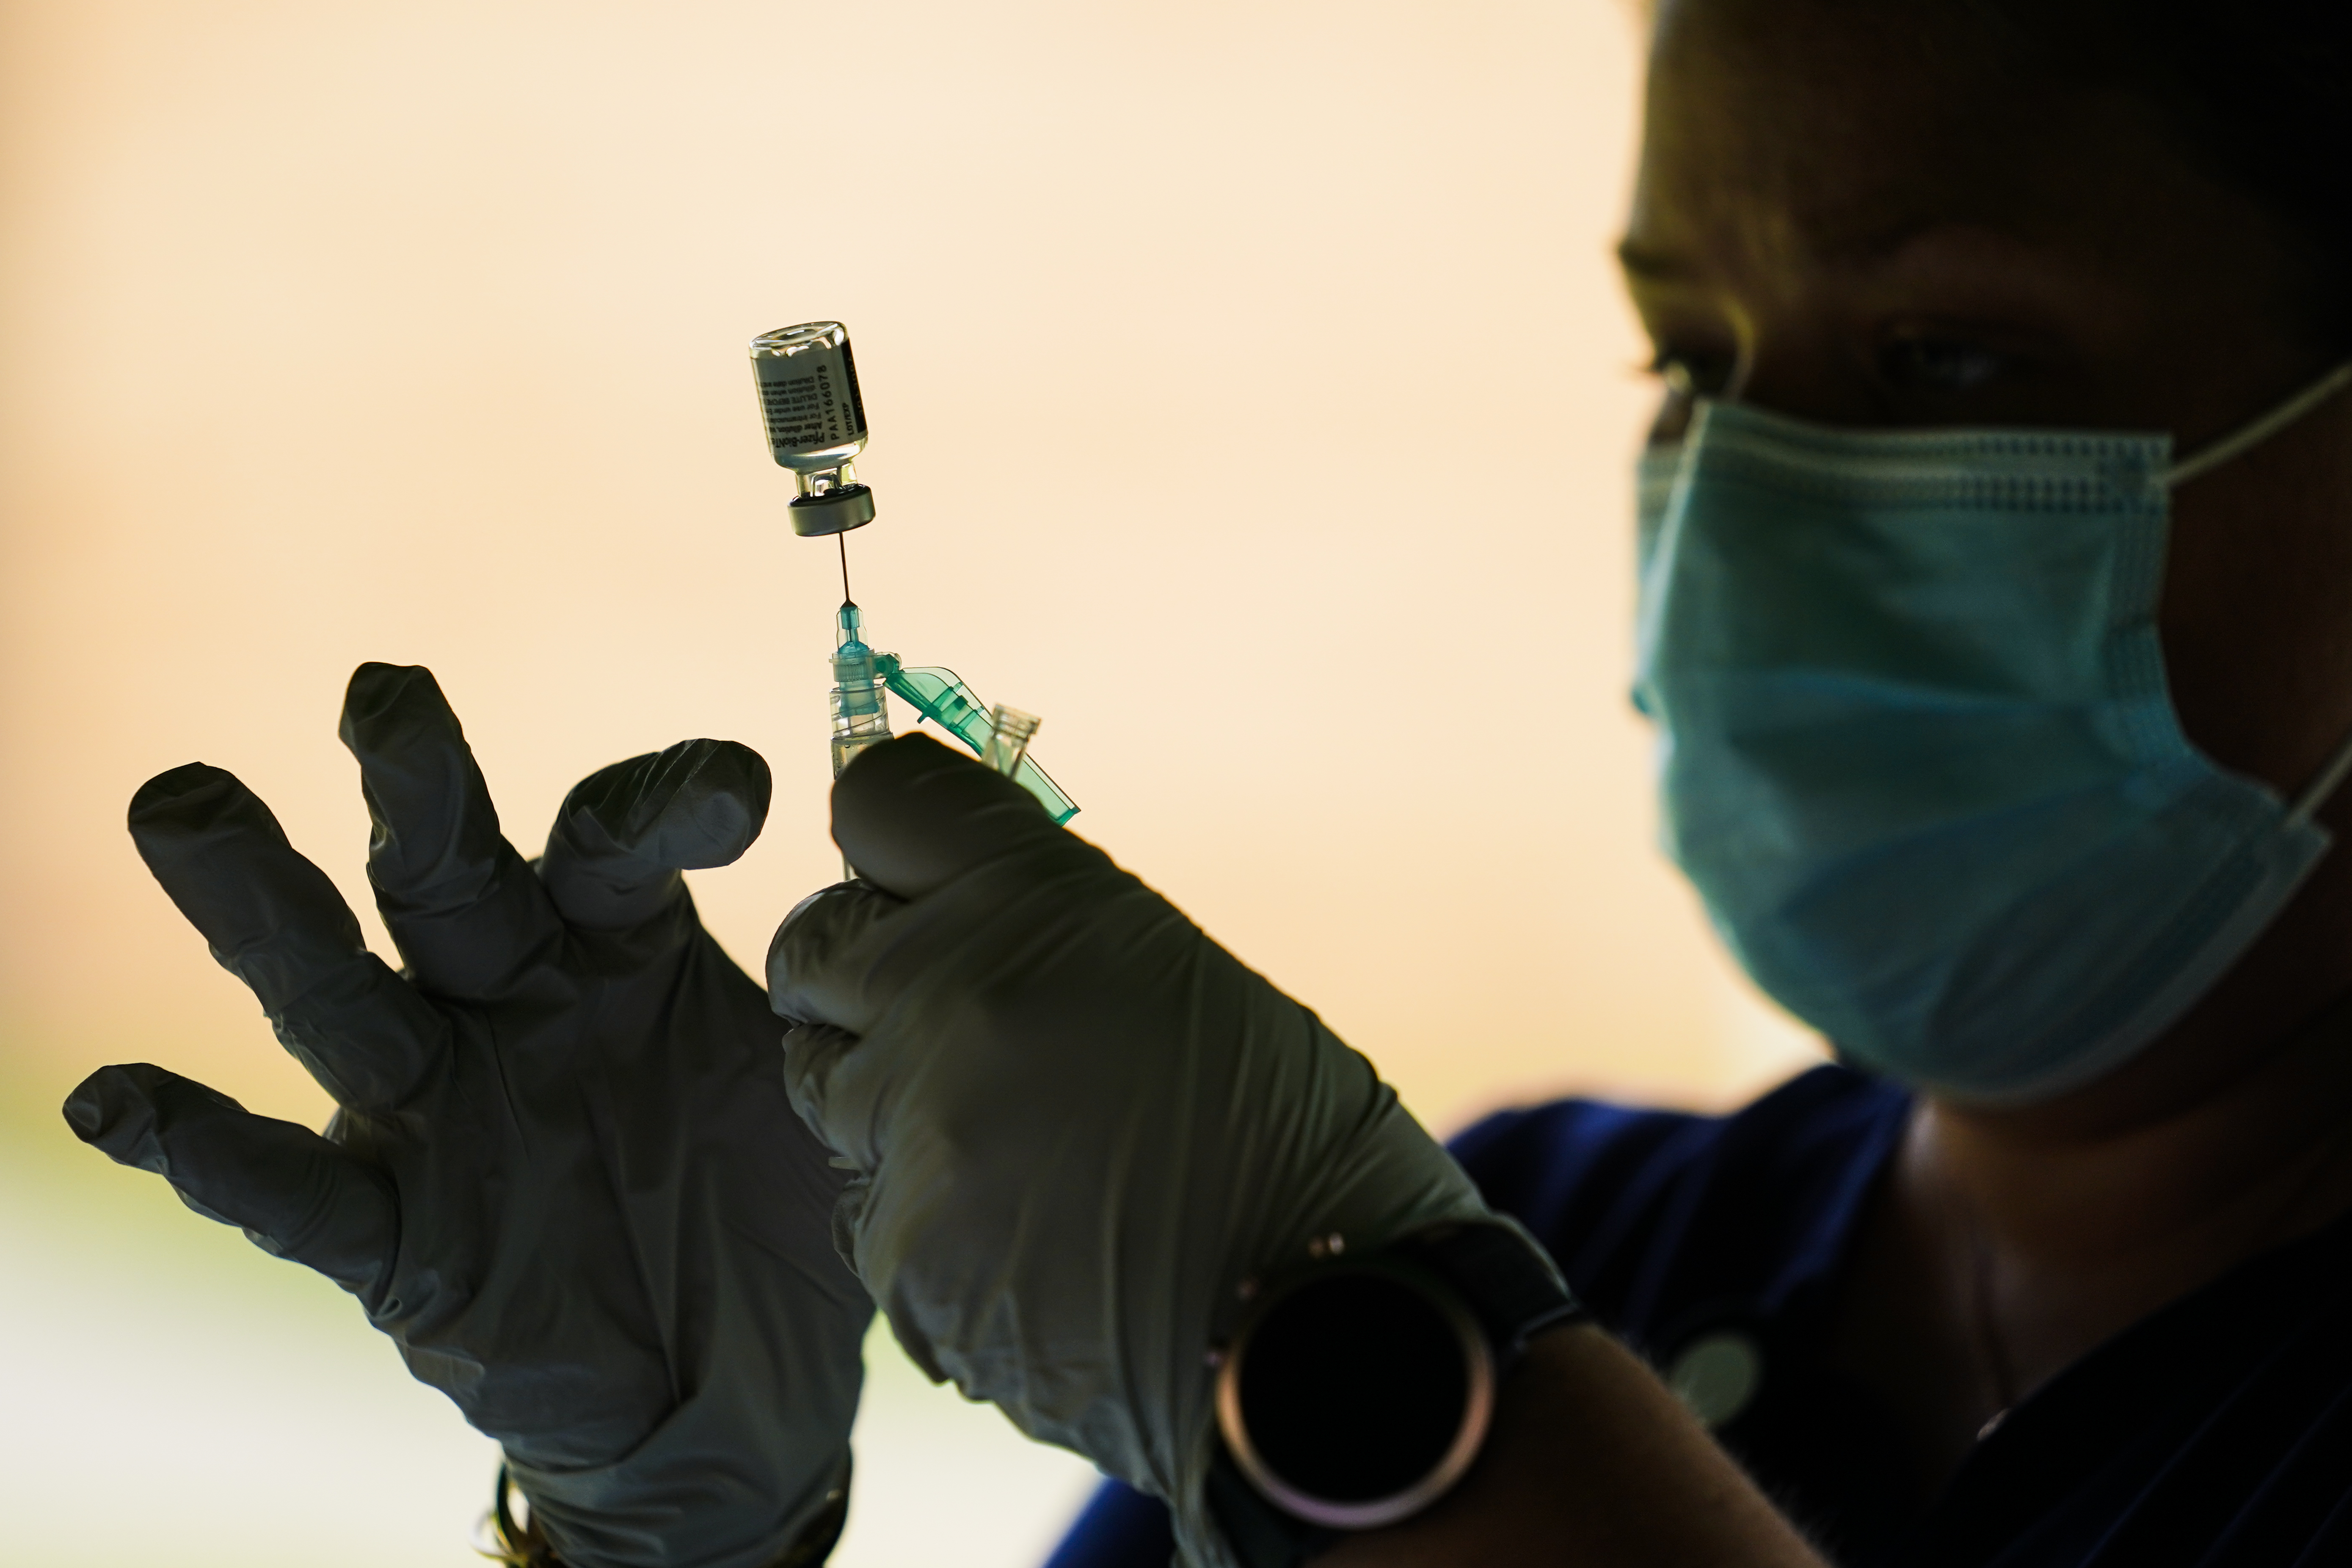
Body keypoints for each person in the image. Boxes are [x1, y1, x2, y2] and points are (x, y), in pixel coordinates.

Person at [66, 0, 2352, 1563]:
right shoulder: (1575, 1235)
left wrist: (1400, 1397)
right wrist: (677, 1538)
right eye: (1688, 358)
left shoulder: (1387, 1308)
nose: (1748, 501)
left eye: (1949, 355)